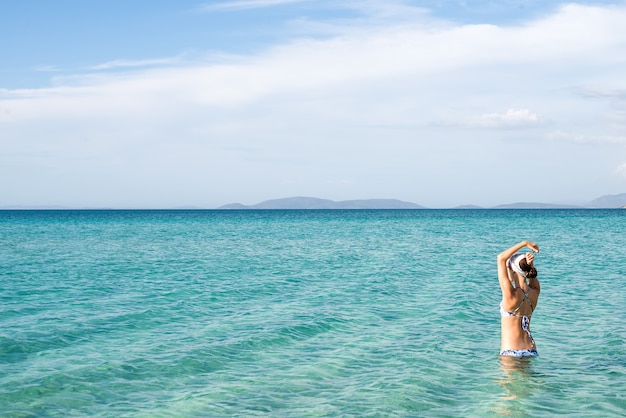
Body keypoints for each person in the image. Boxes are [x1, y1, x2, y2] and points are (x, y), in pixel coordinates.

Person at [497, 241, 540, 357]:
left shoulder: (510, 294)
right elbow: (532, 275)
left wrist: (524, 243)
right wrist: (530, 265)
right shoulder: (535, 291)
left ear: (513, 270)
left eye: (508, 267)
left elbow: (500, 258)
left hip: (511, 351)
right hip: (531, 350)